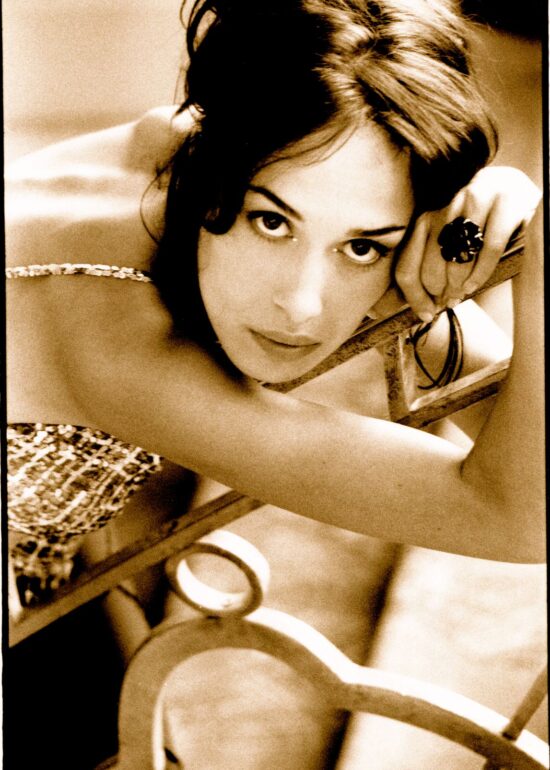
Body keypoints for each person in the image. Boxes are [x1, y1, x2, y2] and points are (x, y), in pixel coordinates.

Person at [5, 0, 544, 764]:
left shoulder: (216, 142)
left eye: (363, 247)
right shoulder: (104, 333)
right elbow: (522, 520)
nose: (303, 304)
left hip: (58, 586)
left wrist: (493, 231)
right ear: (222, 178)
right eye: (271, 222)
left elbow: (495, 413)